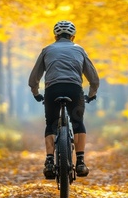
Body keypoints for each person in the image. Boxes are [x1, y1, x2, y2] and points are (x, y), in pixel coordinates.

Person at [28, 20, 100, 179]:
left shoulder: (47, 50)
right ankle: (80, 161)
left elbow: (34, 78)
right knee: (78, 122)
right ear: (73, 36)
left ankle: (49, 161)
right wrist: (91, 94)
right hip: (74, 90)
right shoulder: (80, 50)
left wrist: (35, 92)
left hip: (52, 90)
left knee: (51, 124)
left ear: (55, 36)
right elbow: (94, 79)